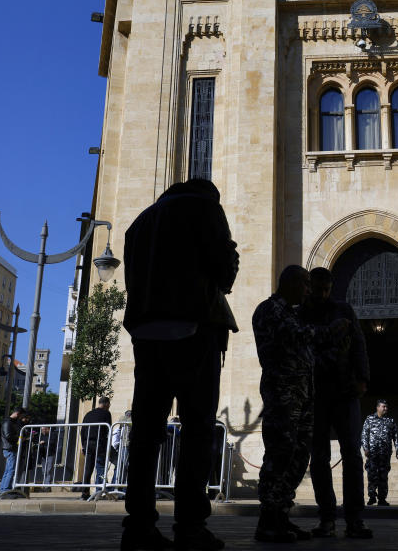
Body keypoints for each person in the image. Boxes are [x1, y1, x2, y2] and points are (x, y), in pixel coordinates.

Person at [121, 178, 240, 551]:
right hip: (193, 328)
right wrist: (229, 257)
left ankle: (138, 526)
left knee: (146, 432)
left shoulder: (140, 222)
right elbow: (224, 271)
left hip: (146, 333)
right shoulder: (205, 209)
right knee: (197, 429)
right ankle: (190, 525)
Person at [252, 265, 350, 543]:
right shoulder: (270, 310)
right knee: (280, 455)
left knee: (297, 457)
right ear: (292, 283)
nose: (309, 291)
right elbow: (297, 335)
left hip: (302, 396)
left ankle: (281, 516)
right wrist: (330, 331)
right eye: (305, 285)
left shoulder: (291, 313)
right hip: (282, 396)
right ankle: (268, 520)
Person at [301, 267, 372, 539]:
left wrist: (362, 378)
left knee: (352, 454)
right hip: (315, 394)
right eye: (317, 288)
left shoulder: (344, 310)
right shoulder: (300, 314)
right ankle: (327, 517)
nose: (322, 294)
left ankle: (354, 518)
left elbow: (359, 344)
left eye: (326, 289)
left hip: (345, 391)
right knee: (319, 457)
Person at [361, 400, 396, 507]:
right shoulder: (369, 419)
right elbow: (364, 434)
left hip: (385, 454)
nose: (385, 408)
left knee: (383, 476)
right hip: (372, 454)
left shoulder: (390, 421)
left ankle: (382, 498)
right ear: (377, 407)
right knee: (372, 475)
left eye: (386, 407)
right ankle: (372, 496)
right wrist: (366, 448)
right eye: (383, 406)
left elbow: (395, 436)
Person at [81, 396, 113, 500]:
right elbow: (108, 428)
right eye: (109, 404)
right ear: (106, 404)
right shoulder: (106, 413)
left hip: (88, 443)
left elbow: (82, 431)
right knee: (101, 468)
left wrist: (83, 446)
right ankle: (100, 491)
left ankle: (84, 493)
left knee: (88, 469)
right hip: (100, 443)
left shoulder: (88, 414)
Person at [0, 407, 26, 497]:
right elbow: (8, 436)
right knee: (11, 470)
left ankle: (3, 489)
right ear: (17, 414)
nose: (20, 418)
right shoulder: (8, 422)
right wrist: (20, 438)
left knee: (8, 470)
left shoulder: (10, 422)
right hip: (10, 448)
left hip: (10, 448)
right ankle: (5, 489)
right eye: (21, 416)